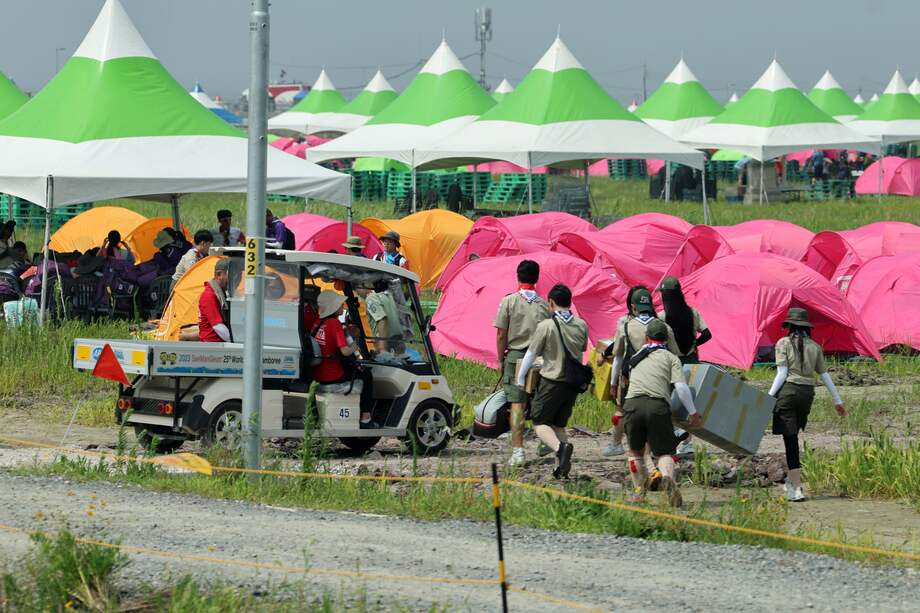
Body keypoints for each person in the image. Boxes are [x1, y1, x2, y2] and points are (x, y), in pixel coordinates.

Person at [768, 308, 846, 502]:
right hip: (807, 395)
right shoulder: (815, 346)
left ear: (789, 326)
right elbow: (825, 376)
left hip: (788, 393)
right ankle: (792, 483)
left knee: (790, 441)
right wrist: (838, 401)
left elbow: (782, 374)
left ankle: (796, 487)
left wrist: (768, 397)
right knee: (793, 438)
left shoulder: (783, 343)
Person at [622, 319, 702, 507]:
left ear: (647, 337)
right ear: (667, 338)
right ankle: (667, 477)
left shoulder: (637, 356)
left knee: (635, 453)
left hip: (632, 404)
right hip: (657, 406)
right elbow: (681, 388)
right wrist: (693, 413)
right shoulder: (671, 358)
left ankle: (638, 494)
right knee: (664, 452)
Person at [516, 284, 588, 479]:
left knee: (540, 421)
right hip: (572, 384)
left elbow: (532, 353)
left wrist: (521, 377)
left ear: (550, 302)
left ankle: (559, 448)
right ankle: (560, 468)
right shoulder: (581, 324)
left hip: (552, 381)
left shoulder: (546, 325)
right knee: (559, 425)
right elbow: (581, 349)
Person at [601, 286, 679, 458]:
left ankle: (616, 444)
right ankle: (651, 450)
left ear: (633, 307)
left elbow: (618, 357)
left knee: (622, 411)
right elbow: (675, 354)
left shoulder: (626, 326)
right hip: (658, 378)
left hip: (630, 378)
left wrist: (613, 383)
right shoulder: (664, 327)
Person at [494, 260, 552, 466]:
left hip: (516, 357)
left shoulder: (509, 301)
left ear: (518, 277)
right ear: (537, 278)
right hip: (539, 359)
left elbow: (501, 333)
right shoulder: (544, 305)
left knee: (517, 405)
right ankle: (547, 441)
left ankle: (518, 451)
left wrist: (500, 358)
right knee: (540, 404)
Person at [657, 275, 713, 456]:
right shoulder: (692, 312)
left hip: (671, 362)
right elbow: (707, 334)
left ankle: (674, 434)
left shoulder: (662, 317)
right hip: (691, 361)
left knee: (671, 400)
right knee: (689, 401)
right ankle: (687, 441)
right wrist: (696, 344)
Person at [312, 290, 375, 424]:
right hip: (333, 375)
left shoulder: (319, 322)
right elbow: (346, 351)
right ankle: (365, 416)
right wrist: (357, 343)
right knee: (366, 375)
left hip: (319, 373)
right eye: (340, 304)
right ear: (333, 307)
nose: (343, 306)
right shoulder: (334, 324)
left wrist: (344, 331)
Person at [360, 280, 405, 355]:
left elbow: (382, 320)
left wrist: (381, 347)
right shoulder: (388, 295)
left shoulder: (371, 298)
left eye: (357, 288)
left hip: (387, 344)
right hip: (399, 342)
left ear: (364, 285)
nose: (357, 292)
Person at [198, 257, 231, 342]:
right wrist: (236, 342)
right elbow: (218, 326)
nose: (235, 279)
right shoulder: (209, 296)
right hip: (213, 346)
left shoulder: (221, 293)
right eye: (231, 275)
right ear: (219, 274)